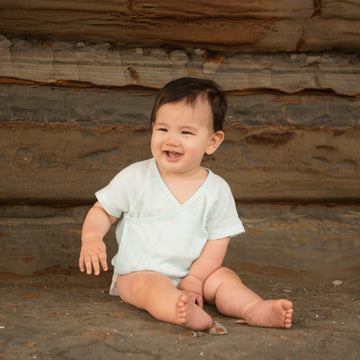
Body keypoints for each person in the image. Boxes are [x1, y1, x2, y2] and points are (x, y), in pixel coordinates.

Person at [79, 77, 293, 331]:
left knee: (225, 279)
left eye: (186, 132)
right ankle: (180, 310)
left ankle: (253, 308)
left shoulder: (216, 190)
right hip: (139, 272)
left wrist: (196, 278)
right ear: (152, 128)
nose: (171, 140)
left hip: (195, 273)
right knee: (151, 288)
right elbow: (103, 210)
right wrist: (92, 237)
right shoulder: (135, 177)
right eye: (163, 129)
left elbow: (218, 241)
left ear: (212, 142)